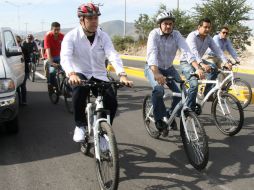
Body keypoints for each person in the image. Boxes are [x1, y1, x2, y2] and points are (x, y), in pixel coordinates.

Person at [60, 3, 133, 142]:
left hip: (99, 75)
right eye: (90, 18)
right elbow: (65, 57)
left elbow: (112, 54)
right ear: (82, 20)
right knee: (79, 91)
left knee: (112, 102)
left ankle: (103, 133)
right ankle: (80, 126)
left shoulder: (103, 36)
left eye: (96, 18)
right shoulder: (71, 36)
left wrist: (122, 75)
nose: (94, 21)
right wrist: (72, 74)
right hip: (80, 73)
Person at [144, 11, 199, 137]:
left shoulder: (177, 35)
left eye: (170, 24)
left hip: (169, 68)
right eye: (165, 24)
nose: (168, 26)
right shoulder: (154, 34)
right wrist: (156, 73)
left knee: (182, 92)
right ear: (160, 25)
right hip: (153, 67)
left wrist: (197, 68)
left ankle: (169, 114)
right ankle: (159, 119)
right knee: (158, 90)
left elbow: (187, 51)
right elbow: (151, 54)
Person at [180, 18, 230, 111]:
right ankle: (189, 110)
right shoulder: (192, 36)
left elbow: (218, 50)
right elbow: (194, 52)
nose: (207, 29)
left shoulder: (208, 38)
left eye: (209, 27)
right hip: (186, 62)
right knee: (194, 84)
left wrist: (226, 61)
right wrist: (202, 64)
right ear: (199, 27)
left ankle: (207, 92)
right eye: (205, 27)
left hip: (199, 62)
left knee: (214, 68)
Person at [44, 22, 64, 90]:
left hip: (60, 57)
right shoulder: (47, 37)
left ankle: (66, 87)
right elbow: (48, 51)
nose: (56, 31)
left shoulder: (62, 36)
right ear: (51, 29)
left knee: (66, 72)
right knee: (52, 72)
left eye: (58, 29)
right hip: (50, 57)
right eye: (55, 29)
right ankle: (52, 86)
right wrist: (51, 62)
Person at [20, 34, 38, 105]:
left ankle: (33, 65)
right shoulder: (24, 43)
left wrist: (36, 52)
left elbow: (36, 49)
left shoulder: (33, 43)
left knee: (34, 57)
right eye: (28, 38)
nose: (29, 39)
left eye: (30, 38)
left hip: (30, 54)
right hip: (26, 54)